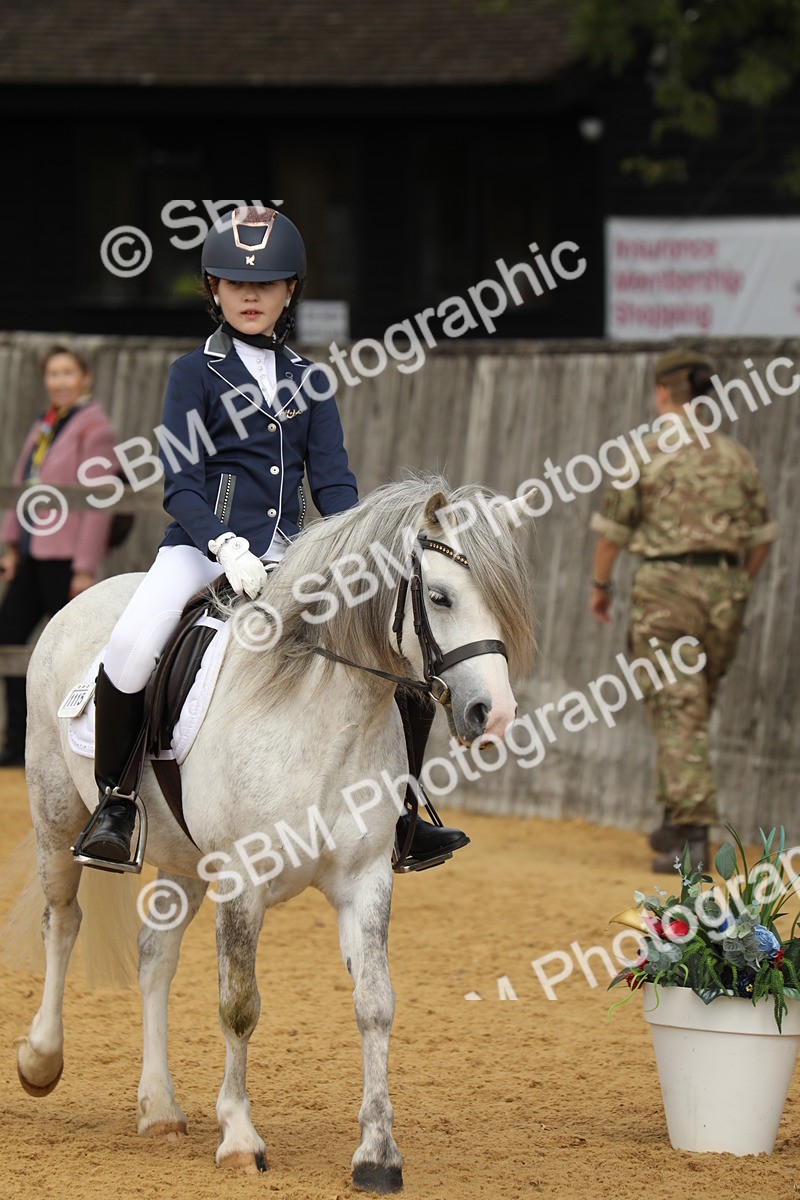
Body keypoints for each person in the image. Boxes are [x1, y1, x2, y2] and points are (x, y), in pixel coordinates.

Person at [77, 205, 468, 873]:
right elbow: (182, 483)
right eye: (235, 283)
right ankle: (117, 802)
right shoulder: (191, 373)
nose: (250, 295)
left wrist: (355, 552)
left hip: (295, 554)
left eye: (267, 283)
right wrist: (224, 545)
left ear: (291, 291)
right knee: (131, 642)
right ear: (213, 289)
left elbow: (335, 485)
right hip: (200, 549)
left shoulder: (310, 381)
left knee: (392, 652)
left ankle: (402, 809)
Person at [588, 348, 776, 871]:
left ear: (663, 392)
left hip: (665, 591)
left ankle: (692, 839)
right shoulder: (736, 456)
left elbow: (612, 536)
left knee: (677, 712)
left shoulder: (646, 453)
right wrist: (733, 584)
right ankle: (675, 819)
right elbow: (762, 539)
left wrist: (600, 586)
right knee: (693, 707)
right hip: (724, 597)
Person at [0, 346, 118, 766]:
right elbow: (23, 484)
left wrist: (84, 568)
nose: (60, 381)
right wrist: (11, 546)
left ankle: (79, 750)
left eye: (68, 373)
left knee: (78, 654)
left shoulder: (95, 428)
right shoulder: (45, 423)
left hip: (66, 560)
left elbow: (99, 502)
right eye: (53, 374)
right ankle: (17, 744)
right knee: (8, 637)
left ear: (84, 378)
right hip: (33, 555)